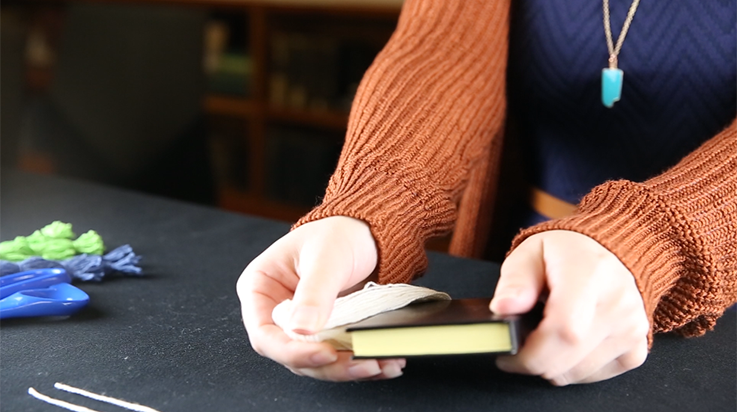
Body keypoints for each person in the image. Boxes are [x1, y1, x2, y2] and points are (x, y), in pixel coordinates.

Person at [237, 0, 737, 385]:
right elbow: (442, 50)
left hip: (711, 271)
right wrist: (372, 203)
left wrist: (652, 237)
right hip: (521, 259)